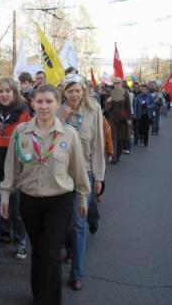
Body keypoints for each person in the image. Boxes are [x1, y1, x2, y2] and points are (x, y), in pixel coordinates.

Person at [0, 84, 90, 305]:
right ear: (32, 103)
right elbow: (11, 168)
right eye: (39, 101)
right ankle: (38, 294)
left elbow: (78, 169)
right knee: (39, 251)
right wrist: (4, 194)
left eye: (49, 101)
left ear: (58, 104)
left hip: (59, 201)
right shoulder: (21, 133)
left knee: (52, 254)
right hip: (29, 201)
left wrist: (82, 197)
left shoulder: (69, 135)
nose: (44, 106)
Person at [57, 74, 105, 290]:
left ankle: (77, 274)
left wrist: (99, 176)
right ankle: (70, 248)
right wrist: (59, 116)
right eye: (70, 91)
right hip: (59, 174)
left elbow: (98, 145)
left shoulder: (94, 110)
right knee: (64, 221)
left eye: (78, 90)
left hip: (84, 173)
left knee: (79, 223)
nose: (74, 94)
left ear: (83, 91)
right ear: (64, 93)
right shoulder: (57, 110)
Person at [0, 77, 31, 274]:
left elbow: (27, 145)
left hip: (15, 172)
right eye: (1, 91)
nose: (4, 94)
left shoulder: (24, 115)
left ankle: (20, 242)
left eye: (8, 91)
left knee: (16, 211)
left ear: (14, 93)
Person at [106, 78, 132, 163]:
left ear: (121, 84)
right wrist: (108, 102)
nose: (116, 84)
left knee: (121, 138)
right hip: (112, 119)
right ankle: (114, 157)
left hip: (122, 119)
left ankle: (118, 156)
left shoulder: (125, 93)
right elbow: (106, 108)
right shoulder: (110, 93)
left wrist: (129, 118)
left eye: (118, 83)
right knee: (114, 138)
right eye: (115, 83)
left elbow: (128, 107)